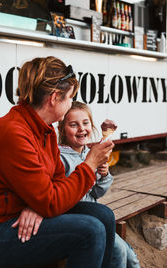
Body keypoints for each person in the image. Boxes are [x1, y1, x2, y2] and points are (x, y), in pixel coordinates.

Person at [0, 56, 115, 268]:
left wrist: (36, 206)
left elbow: (54, 183)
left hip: (18, 216)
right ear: (54, 98)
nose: (72, 103)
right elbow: (51, 201)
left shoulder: (44, 129)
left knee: (104, 215)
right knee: (90, 231)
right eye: (70, 98)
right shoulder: (13, 133)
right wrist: (89, 165)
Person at [58, 101, 141, 268]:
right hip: (77, 218)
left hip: (98, 217)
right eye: (74, 125)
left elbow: (97, 193)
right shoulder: (60, 157)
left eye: (85, 123)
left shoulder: (90, 152)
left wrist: (103, 175)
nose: (81, 128)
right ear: (62, 129)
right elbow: (64, 193)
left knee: (131, 258)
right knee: (119, 252)